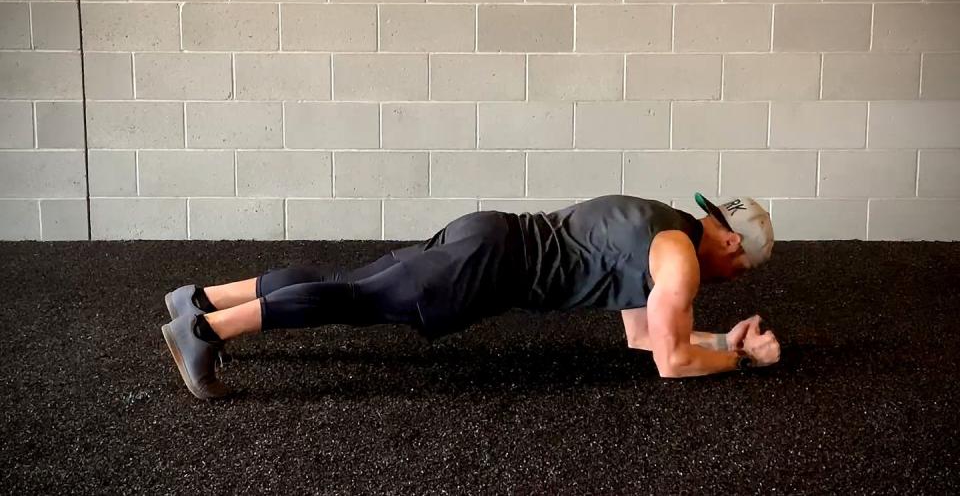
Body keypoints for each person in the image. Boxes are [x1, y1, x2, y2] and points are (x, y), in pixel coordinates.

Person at [161, 192, 780, 399]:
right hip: (486, 267)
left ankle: (199, 299)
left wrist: (723, 341)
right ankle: (206, 333)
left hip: (487, 230)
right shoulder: (680, 264)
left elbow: (646, 337)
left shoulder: (654, 220)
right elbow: (672, 363)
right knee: (356, 298)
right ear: (731, 247)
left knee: (353, 279)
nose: (734, 279)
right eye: (742, 270)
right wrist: (743, 359)